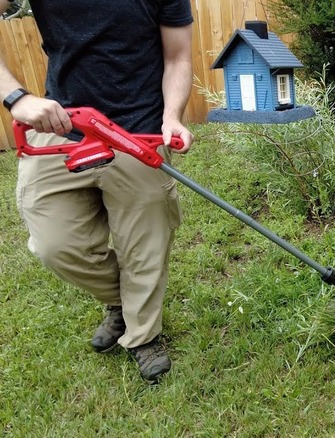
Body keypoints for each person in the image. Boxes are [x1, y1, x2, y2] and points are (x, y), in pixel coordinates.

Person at [0, 0, 195, 382]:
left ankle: (143, 336)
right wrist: (16, 98)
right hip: (61, 129)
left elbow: (178, 58)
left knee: (145, 246)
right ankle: (121, 302)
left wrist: (171, 117)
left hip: (136, 131)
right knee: (55, 245)